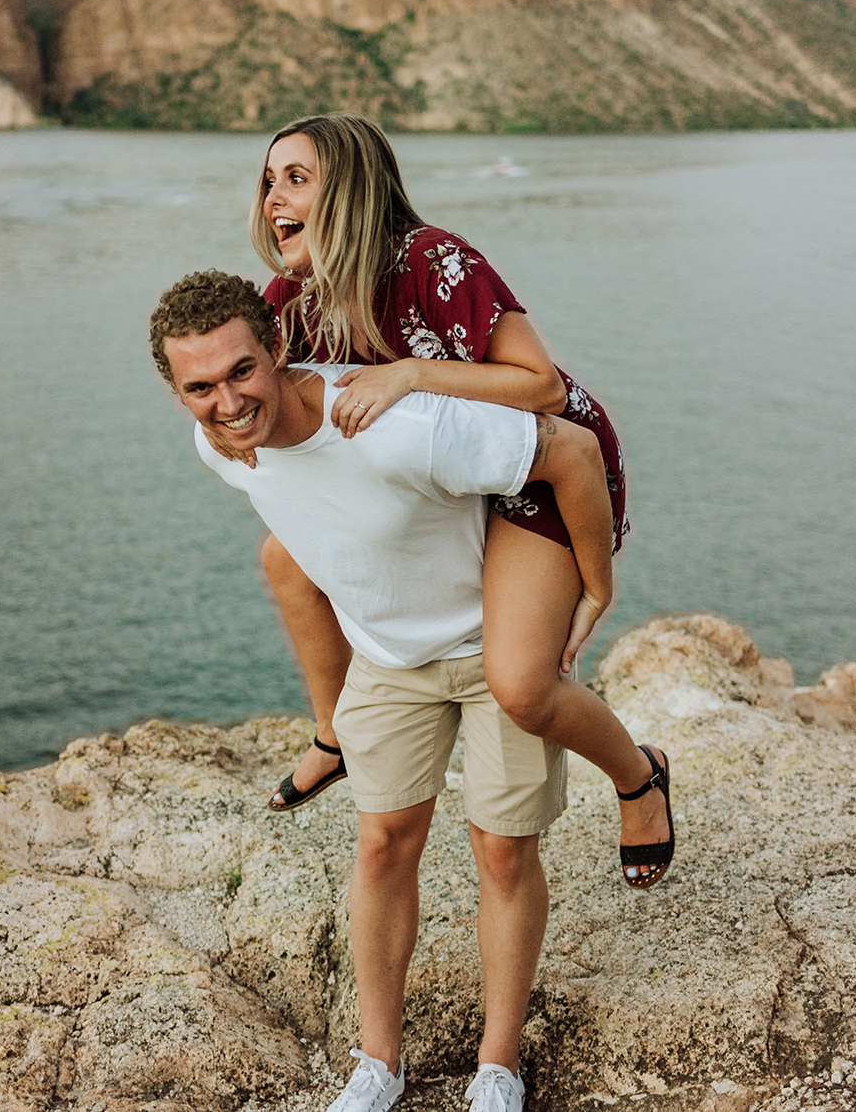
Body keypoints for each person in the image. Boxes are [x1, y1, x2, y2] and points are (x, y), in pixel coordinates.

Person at [149, 269, 639, 1112]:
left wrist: (595, 585)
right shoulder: (218, 444)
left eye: (241, 371)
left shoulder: (395, 422)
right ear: (177, 393)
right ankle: (378, 1064)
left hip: (491, 649)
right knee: (381, 847)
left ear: (278, 352)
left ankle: (498, 1066)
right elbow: (309, 521)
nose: (227, 401)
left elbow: (574, 450)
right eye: (200, 387)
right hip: (387, 664)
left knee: (502, 851)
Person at [212, 113, 671, 890]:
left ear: (350, 189)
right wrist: (230, 427)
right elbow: (246, 374)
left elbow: (543, 387)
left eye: (295, 178)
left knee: (522, 683)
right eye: (267, 181)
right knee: (284, 560)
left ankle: (638, 776)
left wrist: (411, 373)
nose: (271, 199)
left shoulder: (431, 261)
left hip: (539, 474)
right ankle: (335, 733)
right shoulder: (292, 298)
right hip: (443, 483)